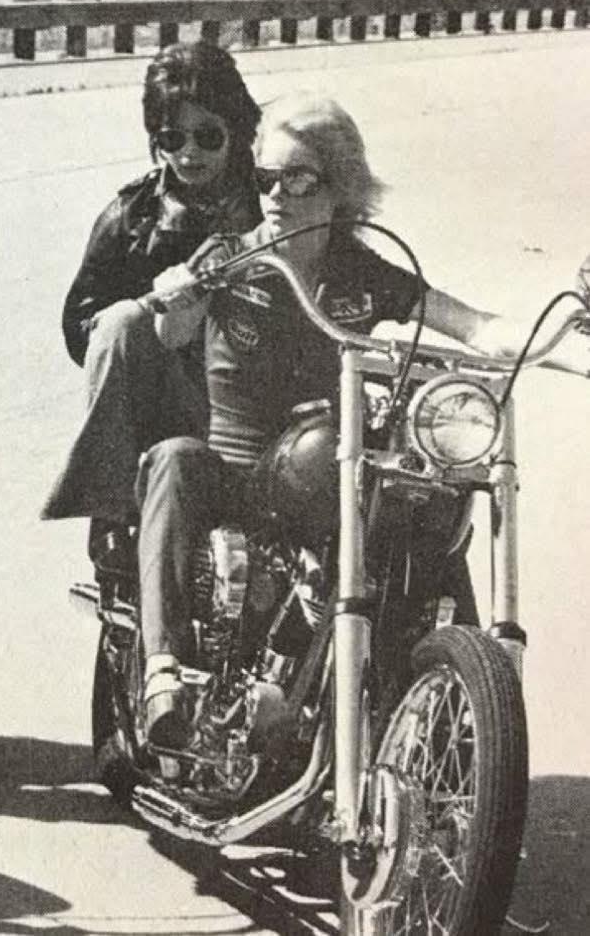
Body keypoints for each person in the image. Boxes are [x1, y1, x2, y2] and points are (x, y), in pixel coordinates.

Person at [52, 92, 523, 746]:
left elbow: (470, 324)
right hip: (234, 474)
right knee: (175, 458)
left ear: (339, 188)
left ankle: (448, 703)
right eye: (265, 177)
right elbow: (171, 330)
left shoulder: (362, 272)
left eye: (297, 179)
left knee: (425, 496)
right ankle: (163, 672)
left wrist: (550, 337)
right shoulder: (231, 256)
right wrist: (178, 294)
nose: (275, 194)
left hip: (320, 472)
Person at [43, 41, 261, 533]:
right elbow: (80, 327)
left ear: (237, 128)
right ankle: (111, 514)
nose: (189, 152)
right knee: (120, 321)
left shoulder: (274, 199)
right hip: (170, 387)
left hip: (254, 376)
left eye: (207, 136)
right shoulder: (131, 216)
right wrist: (149, 312)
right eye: (172, 138)